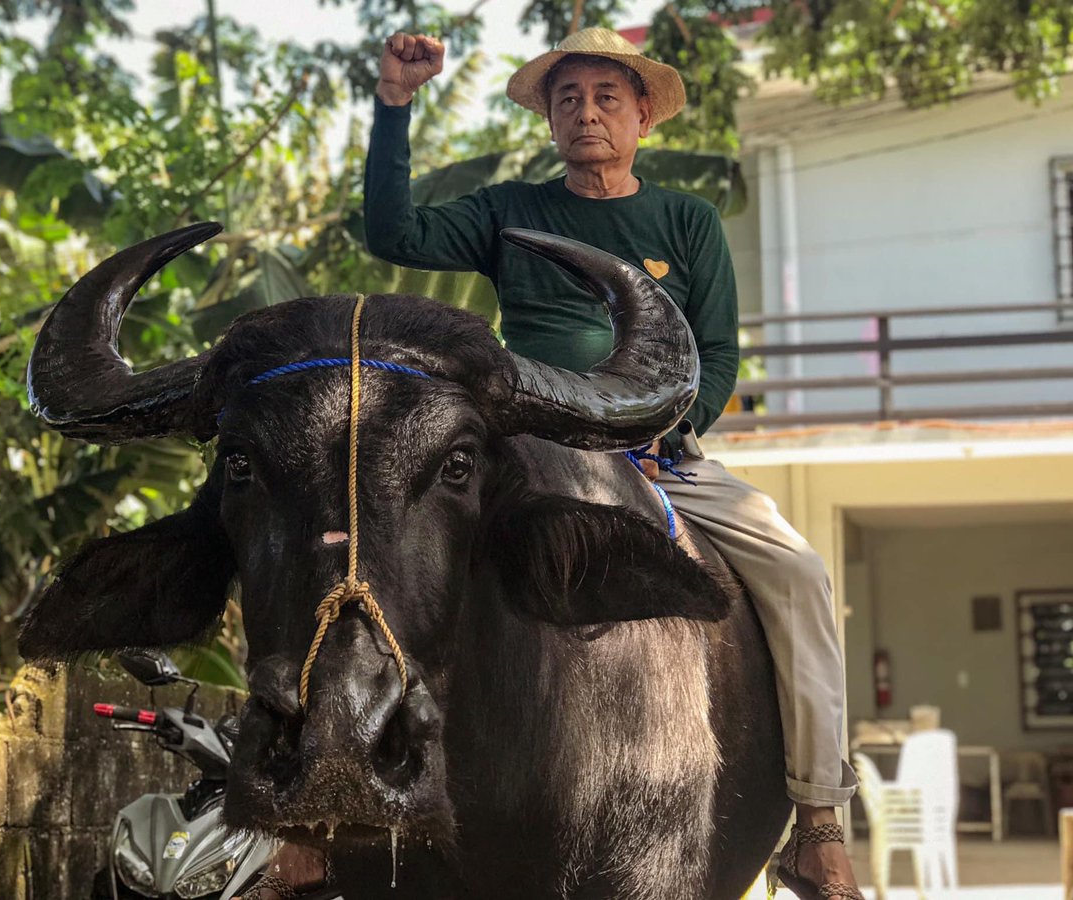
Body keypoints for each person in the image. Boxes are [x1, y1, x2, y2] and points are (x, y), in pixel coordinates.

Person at [362, 26, 864, 900]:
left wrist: (668, 435)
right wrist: (395, 103)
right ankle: (312, 823)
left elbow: (716, 352)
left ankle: (818, 824)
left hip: (661, 455)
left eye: (605, 98)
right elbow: (393, 231)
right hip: (524, 447)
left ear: (642, 117)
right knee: (367, 540)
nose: (586, 113)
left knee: (800, 573)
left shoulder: (687, 221)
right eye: (568, 99)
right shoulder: (510, 210)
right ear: (550, 120)